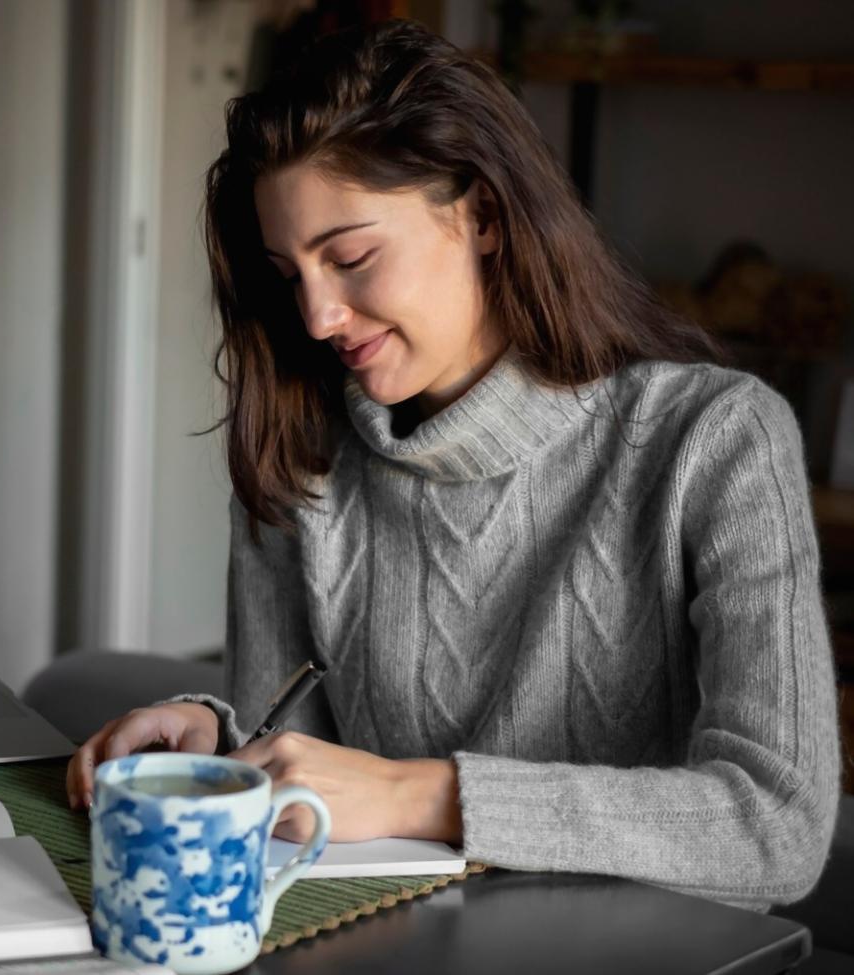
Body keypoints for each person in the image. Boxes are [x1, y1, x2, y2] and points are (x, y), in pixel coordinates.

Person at [65, 19, 839, 912]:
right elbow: (304, 768)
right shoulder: (301, 452)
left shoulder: (714, 440)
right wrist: (218, 740)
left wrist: (422, 793)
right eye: (289, 273)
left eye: (350, 257)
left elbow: (776, 828)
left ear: (480, 214)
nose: (317, 316)